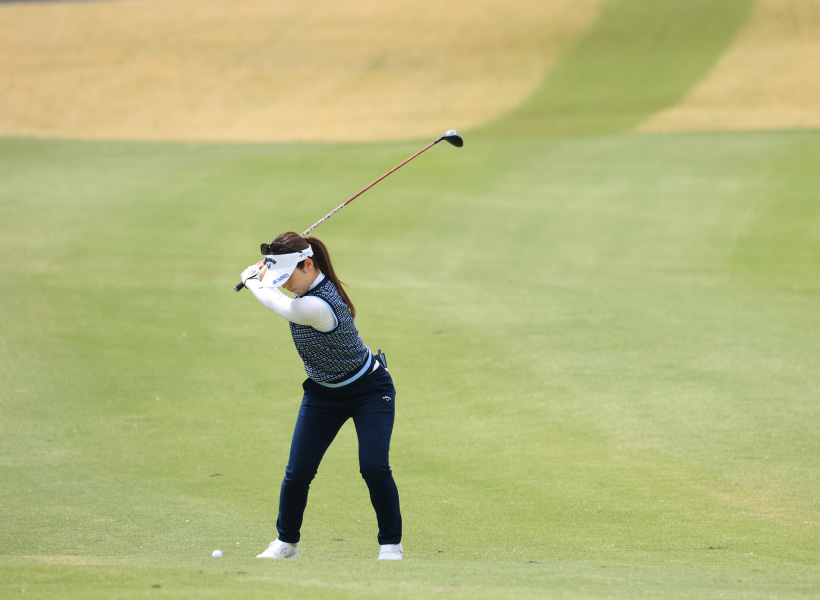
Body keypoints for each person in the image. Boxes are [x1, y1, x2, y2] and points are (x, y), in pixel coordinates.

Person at [239, 232, 403, 560]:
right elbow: (278, 285)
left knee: (373, 466)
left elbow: (276, 302)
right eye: (281, 277)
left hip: (369, 391)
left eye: (289, 276)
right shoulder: (303, 282)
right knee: (298, 471)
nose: (286, 284)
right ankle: (286, 544)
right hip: (323, 393)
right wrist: (269, 268)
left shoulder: (315, 305)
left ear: (309, 265)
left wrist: (252, 279)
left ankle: (390, 545)